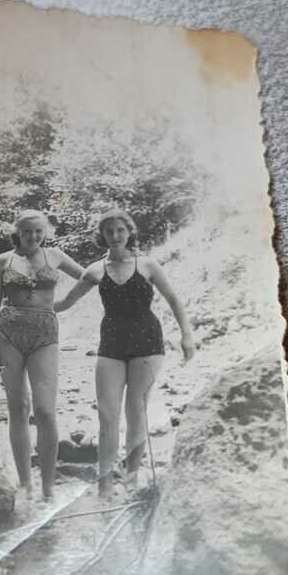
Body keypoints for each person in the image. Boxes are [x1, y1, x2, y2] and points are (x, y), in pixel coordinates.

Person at [54, 208, 194, 495]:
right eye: (109, 231)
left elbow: (174, 299)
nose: (115, 236)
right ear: (102, 236)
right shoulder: (94, 270)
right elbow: (66, 302)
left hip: (148, 343)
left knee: (136, 410)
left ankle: (131, 477)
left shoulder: (148, 265)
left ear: (129, 232)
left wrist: (187, 336)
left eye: (120, 230)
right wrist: (30, 305)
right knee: (107, 413)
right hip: (111, 345)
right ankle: (104, 483)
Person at [0, 210, 84, 500]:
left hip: (45, 334)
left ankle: (49, 486)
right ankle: (26, 484)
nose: (33, 236)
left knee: (45, 410)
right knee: (18, 408)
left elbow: (90, 277)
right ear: (17, 232)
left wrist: (66, 302)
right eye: (27, 231)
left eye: (38, 231)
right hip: (7, 334)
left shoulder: (56, 255)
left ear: (46, 231)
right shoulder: (4, 260)